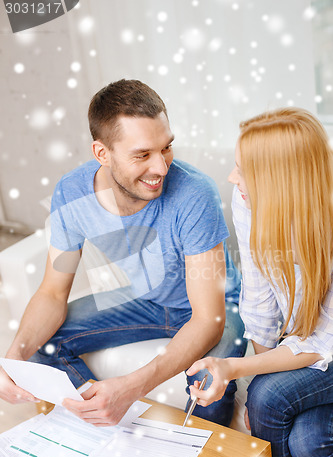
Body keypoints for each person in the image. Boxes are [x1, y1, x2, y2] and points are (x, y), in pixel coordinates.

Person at [1, 79, 246, 427]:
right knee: (43, 344)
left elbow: (208, 320)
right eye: (142, 155)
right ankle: (106, 424)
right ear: (102, 153)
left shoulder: (194, 193)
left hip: (219, 305)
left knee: (208, 380)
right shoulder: (72, 194)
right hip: (148, 298)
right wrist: (13, 360)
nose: (161, 167)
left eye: (166, 147)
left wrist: (132, 385)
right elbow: (52, 292)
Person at [187, 107, 333, 457]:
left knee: (268, 398)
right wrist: (255, 380)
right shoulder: (247, 200)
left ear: (281, 180)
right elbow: (260, 303)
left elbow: (323, 343)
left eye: (242, 170)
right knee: (309, 440)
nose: (232, 179)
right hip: (319, 349)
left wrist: (238, 372)